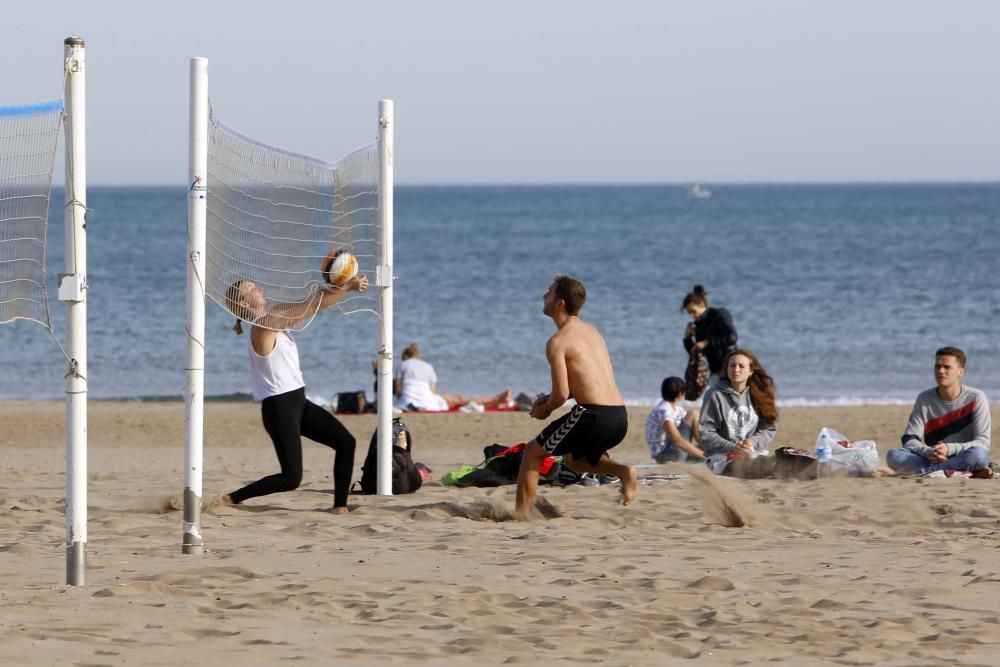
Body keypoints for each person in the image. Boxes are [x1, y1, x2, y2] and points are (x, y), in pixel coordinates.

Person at [218, 274, 368, 514]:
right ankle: (231, 498)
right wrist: (346, 288)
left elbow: (308, 302)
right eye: (253, 288)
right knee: (291, 479)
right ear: (245, 304)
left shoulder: (275, 317)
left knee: (345, 442)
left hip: (299, 402)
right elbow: (310, 309)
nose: (260, 287)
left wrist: (335, 285)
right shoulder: (261, 327)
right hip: (280, 408)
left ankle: (340, 506)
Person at [514, 275, 637, 518]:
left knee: (532, 452)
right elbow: (586, 382)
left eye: (548, 292)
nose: (543, 296)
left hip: (593, 416)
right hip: (619, 416)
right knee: (574, 461)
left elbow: (561, 396)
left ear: (559, 303)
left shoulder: (558, 342)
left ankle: (520, 515)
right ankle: (624, 471)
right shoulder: (592, 332)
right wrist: (548, 398)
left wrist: (545, 409)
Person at [885, 347, 993, 478]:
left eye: (947, 367)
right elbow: (910, 439)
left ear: (960, 372)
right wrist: (928, 452)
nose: (941, 371)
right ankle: (960, 472)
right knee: (894, 455)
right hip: (933, 458)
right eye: (937, 366)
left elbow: (982, 443)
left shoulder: (976, 397)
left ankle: (925, 472)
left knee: (978, 455)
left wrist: (949, 448)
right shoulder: (924, 399)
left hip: (965, 456)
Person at [699, 348, 778, 478]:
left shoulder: (760, 395)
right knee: (753, 466)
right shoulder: (714, 395)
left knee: (785, 460)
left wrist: (752, 442)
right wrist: (733, 447)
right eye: (732, 365)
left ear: (751, 371)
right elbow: (706, 434)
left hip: (753, 454)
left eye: (741, 366)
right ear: (726, 369)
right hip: (722, 459)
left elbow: (769, 429)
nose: (736, 370)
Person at [393, 342, 511, 411]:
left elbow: (398, 391)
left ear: (405, 357)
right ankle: (494, 399)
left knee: (458, 400)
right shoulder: (428, 366)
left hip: (408, 402)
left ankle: (494, 400)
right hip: (427, 401)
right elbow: (432, 391)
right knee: (459, 399)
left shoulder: (401, 364)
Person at [681, 285, 738, 386]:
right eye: (689, 313)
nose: (692, 316)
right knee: (714, 399)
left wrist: (707, 342)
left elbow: (732, 337)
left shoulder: (719, 314)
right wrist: (687, 338)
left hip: (731, 367)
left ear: (702, 304)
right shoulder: (698, 326)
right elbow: (697, 354)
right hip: (715, 371)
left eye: (693, 311)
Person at [645, 377, 703, 463]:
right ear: (680, 394)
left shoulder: (676, 409)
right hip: (665, 456)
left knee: (695, 416)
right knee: (693, 414)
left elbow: (691, 425)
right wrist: (703, 454)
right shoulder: (664, 411)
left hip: (671, 451)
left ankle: (710, 451)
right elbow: (677, 440)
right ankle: (709, 452)